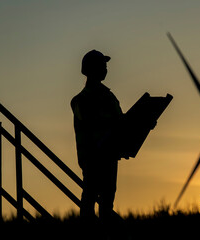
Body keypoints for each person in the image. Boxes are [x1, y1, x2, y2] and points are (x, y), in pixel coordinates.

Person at [71, 50, 123, 227]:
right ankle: (89, 236)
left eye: (105, 66)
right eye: (102, 65)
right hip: (93, 157)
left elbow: (120, 122)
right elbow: (94, 123)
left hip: (109, 155)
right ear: (92, 69)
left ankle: (102, 235)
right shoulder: (82, 100)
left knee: (107, 201)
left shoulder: (108, 96)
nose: (105, 69)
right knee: (90, 199)